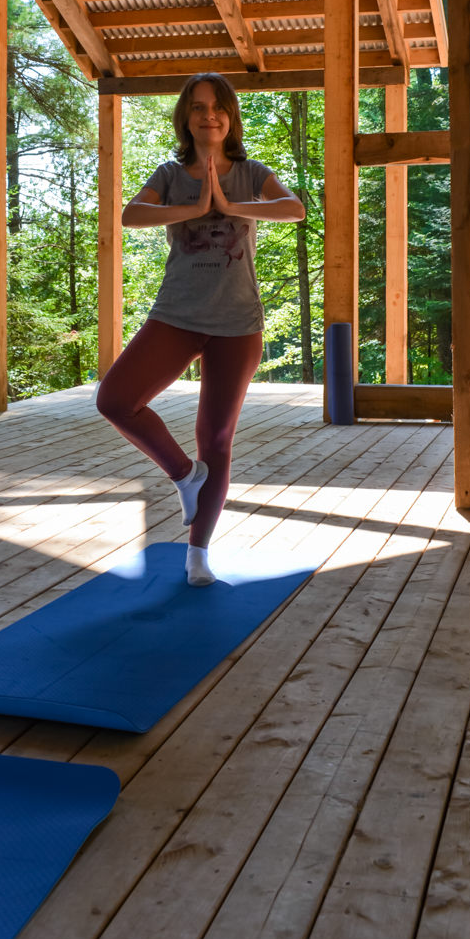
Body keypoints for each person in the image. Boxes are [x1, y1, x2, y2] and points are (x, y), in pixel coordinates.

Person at [96, 72, 305, 586]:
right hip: (178, 315)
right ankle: (185, 476)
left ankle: (198, 554)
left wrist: (230, 204)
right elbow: (130, 215)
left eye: (217, 106)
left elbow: (295, 210)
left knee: (216, 436)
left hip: (237, 324)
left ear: (230, 116)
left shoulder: (253, 172)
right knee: (115, 399)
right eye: (197, 107)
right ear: (186, 118)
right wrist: (195, 206)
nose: (208, 114)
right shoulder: (170, 174)